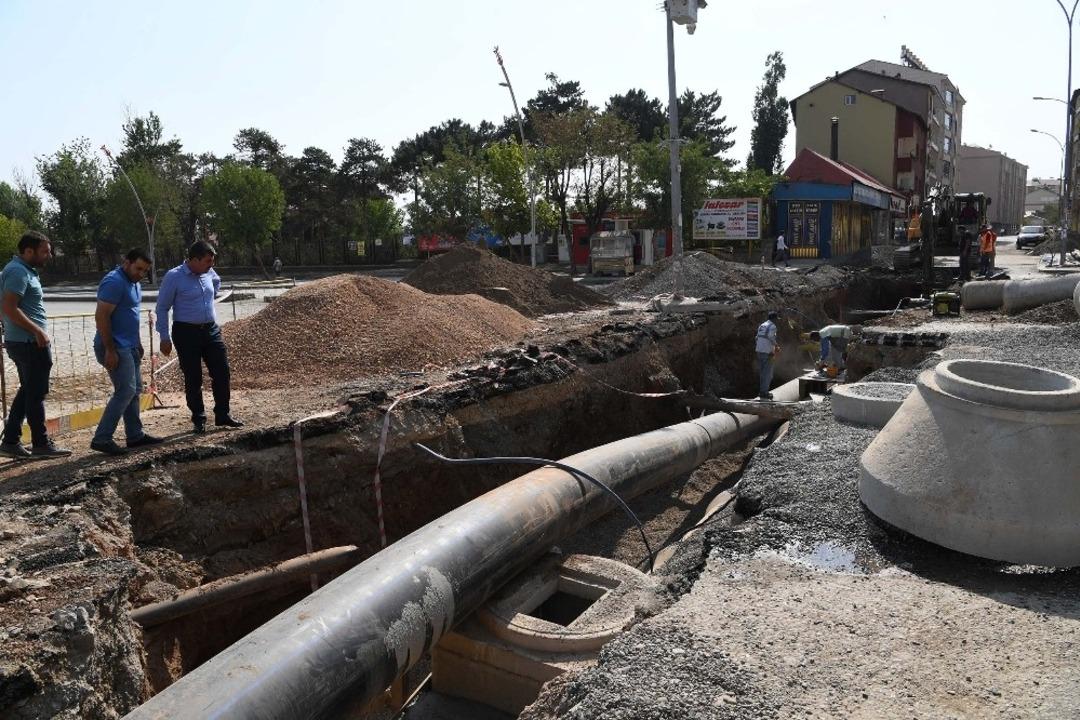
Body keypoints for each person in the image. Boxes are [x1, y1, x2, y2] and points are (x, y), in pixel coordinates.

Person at [156, 240, 244, 434]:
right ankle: (199, 418)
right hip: (186, 332)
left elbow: (216, 283)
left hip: (211, 330)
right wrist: (164, 336)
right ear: (193, 260)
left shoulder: (209, 273)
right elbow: (162, 308)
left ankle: (223, 415)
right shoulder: (174, 277)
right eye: (207, 262)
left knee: (222, 372)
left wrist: (205, 306)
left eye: (212, 262)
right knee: (193, 377)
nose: (211, 266)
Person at [0, 231, 70, 458]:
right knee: (36, 392)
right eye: (44, 251)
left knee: (28, 390)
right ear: (28, 251)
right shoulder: (18, 272)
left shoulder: (22, 270)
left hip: (25, 341)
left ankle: (10, 441)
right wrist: (37, 330)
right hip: (29, 342)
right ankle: (41, 443)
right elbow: (10, 307)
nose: (48, 255)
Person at [90, 249, 165, 455]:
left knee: (134, 391)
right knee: (125, 391)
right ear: (127, 263)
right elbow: (102, 317)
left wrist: (138, 343)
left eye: (145, 270)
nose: (141, 273)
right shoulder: (114, 282)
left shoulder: (135, 284)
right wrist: (110, 350)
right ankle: (102, 438)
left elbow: (130, 316)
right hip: (115, 347)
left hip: (129, 346)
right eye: (138, 268)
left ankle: (135, 436)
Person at [755, 311, 780, 400]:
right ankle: (764, 393)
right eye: (776, 319)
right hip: (767, 352)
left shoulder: (762, 325)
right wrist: (776, 346)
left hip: (759, 351)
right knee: (768, 373)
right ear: (773, 319)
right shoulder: (772, 326)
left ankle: (762, 391)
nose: (777, 321)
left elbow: (756, 338)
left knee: (762, 372)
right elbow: (770, 337)